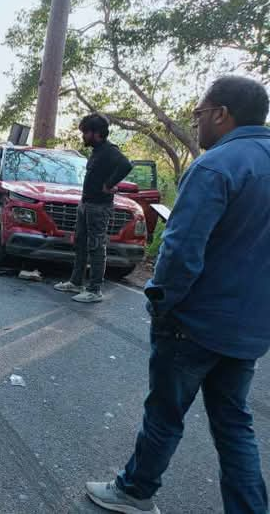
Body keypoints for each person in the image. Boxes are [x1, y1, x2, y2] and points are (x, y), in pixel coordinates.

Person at [85, 76, 270, 514]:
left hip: (196, 322)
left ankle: (135, 491)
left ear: (221, 114)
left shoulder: (215, 167)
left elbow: (182, 252)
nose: (197, 121)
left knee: (165, 413)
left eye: (200, 113)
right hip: (251, 327)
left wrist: (162, 302)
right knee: (234, 423)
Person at [54, 113, 132, 303]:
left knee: (96, 247)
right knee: (80, 243)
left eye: (85, 132)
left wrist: (109, 184)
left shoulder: (109, 150)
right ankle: (76, 282)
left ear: (96, 133)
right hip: (86, 204)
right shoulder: (97, 150)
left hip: (99, 207)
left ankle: (94, 289)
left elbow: (126, 165)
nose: (83, 136)